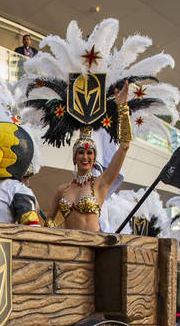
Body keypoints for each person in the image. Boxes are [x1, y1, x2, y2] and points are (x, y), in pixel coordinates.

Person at [47, 81, 131, 231]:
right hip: (69, 249)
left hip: (94, 251)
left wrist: (123, 109)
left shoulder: (101, 184)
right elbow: (49, 221)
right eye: (81, 152)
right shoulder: (62, 190)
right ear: (74, 157)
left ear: (94, 158)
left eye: (89, 153)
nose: (85, 157)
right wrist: (52, 229)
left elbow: (124, 147)